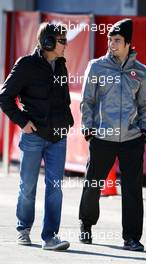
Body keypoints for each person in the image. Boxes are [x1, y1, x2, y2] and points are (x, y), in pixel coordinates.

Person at [79, 18, 146, 251]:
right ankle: (86, 225)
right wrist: (88, 129)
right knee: (93, 184)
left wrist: (144, 129)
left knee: (132, 189)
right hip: (102, 137)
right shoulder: (96, 66)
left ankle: (131, 237)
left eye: (117, 40)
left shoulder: (140, 71)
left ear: (129, 43)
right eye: (110, 39)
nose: (112, 44)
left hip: (132, 140)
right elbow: (87, 101)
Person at [0, 22, 74, 250]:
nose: (65, 45)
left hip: (58, 136)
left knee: (55, 187)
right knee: (28, 186)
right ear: (48, 42)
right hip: (33, 136)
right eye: (61, 41)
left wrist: (68, 123)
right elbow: (4, 97)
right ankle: (23, 229)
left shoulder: (61, 66)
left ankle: (50, 237)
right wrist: (23, 122)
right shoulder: (26, 65)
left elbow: (63, 98)